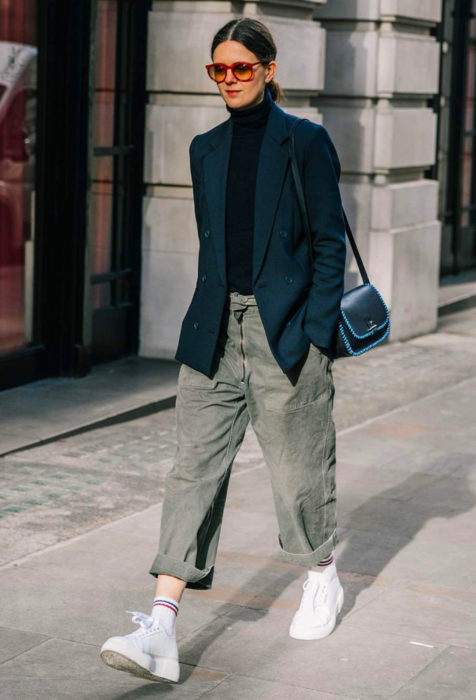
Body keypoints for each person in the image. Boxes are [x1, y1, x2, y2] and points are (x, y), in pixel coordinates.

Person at [100, 16, 347, 684]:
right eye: (218, 70)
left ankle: (322, 572)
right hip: (213, 331)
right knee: (191, 473)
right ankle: (161, 624)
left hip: (285, 331)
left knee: (298, 469)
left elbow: (329, 242)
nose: (229, 80)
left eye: (241, 68)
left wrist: (315, 333)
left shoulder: (305, 142)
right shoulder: (205, 148)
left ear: (268, 69)